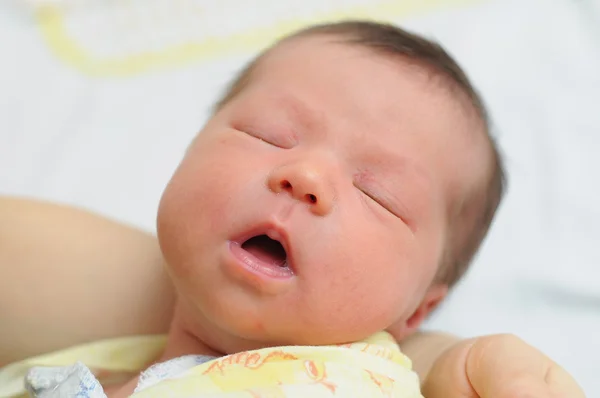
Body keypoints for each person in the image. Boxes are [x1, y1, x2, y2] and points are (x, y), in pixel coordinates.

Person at [0, 20, 585, 398]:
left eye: (378, 194)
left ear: (418, 309)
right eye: (269, 135)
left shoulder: (357, 383)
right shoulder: (84, 363)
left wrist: (464, 365)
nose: (304, 176)